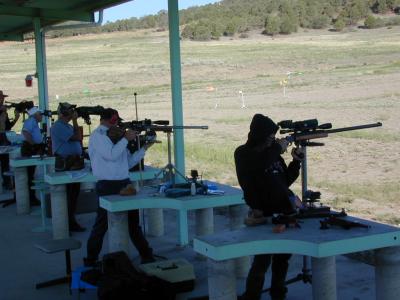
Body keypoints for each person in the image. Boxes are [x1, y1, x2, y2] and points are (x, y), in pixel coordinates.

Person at [234, 114, 303, 300]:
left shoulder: (271, 155)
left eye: (273, 139)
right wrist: (277, 148)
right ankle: (252, 296)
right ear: (258, 136)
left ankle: (278, 293)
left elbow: (285, 180)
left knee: (282, 261)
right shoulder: (243, 154)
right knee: (261, 263)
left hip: (283, 214)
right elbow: (259, 164)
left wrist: (296, 161)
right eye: (269, 138)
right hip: (262, 217)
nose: (272, 141)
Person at [84, 108, 154, 267]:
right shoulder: (98, 136)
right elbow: (111, 155)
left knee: (134, 224)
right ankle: (90, 260)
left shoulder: (117, 138)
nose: (117, 125)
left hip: (125, 183)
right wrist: (125, 139)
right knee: (101, 225)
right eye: (114, 122)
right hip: (107, 185)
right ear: (106, 120)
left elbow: (128, 163)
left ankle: (146, 255)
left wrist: (144, 149)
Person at [51, 102, 85, 232]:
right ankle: (67, 223)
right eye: (71, 111)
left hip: (73, 164)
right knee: (68, 196)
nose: (73, 113)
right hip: (65, 164)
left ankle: (70, 221)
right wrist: (76, 121)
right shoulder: (58, 127)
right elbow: (77, 137)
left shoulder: (66, 126)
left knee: (73, 194)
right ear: (65, 113)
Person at [21, 106, 43, 206]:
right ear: (35, 115)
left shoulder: (33, 121)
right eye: (40, 114)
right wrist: (33, 145)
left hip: (31, 147)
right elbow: (25, 132)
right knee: (29, 173)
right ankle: (30, 198)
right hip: (29, 149)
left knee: (31, 173)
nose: (41, 116)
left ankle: (31, 197)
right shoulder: (31, 121)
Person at [0, 90, 20, 190]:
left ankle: (7, 183)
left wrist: (16, 118)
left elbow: (8, 127)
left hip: (3, 137)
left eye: (3, 97)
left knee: (5, 161)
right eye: (1, 97)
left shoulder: (4, 111)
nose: (3, 99)